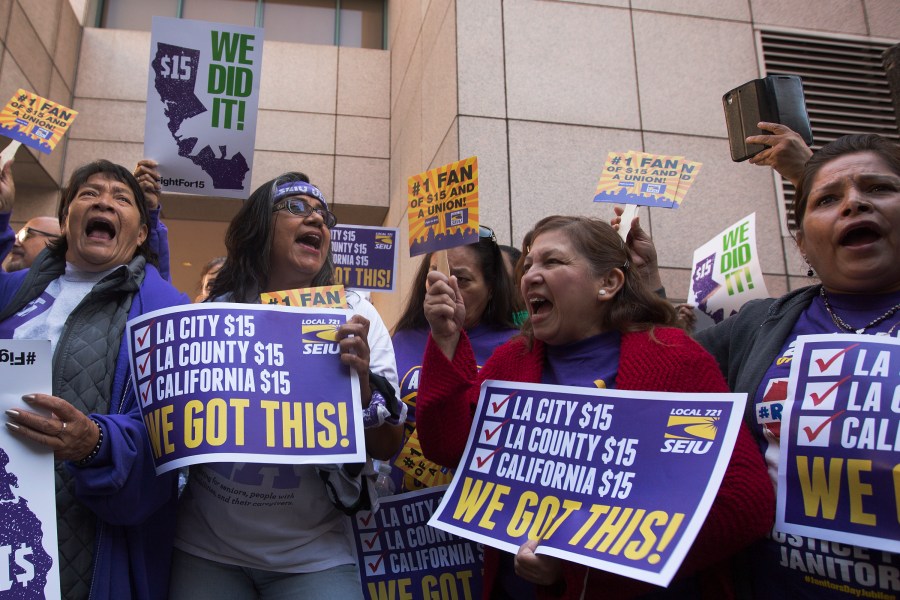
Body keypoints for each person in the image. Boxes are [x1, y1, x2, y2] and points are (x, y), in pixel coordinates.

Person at [416, 215, 774, 599]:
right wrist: (445, 341)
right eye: (528, 264)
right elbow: (447, 448)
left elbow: (745, 501)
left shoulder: (676, 359)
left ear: (608, 283)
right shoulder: (510, 361)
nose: (530, 275)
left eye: (552, 262)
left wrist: (578, 558)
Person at [620, 133, 900, 599]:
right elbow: (668, 371)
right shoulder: (758, 324)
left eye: (878, 188)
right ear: (802, 244)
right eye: (828, 199)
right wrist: (644, 282)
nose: (853, 204)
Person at [170, 172, 404, 600]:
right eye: (297, 207)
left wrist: (363, 388)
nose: (316, 219)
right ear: (261, 224)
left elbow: (389, 445)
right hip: (206, 548)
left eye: (323, 214)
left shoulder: (356, 316)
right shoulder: (216, 315)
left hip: (312, 553)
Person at [1, 159, 189, 600]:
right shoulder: (15, 293)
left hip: (90, 541)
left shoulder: (166, 311)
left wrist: (97, 444)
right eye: (89, 193)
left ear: (141, 234)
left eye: (121, 198)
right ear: (66, 221)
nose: (104, 200)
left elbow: (173, 438)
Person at [390, 227, 520, 492]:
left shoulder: (516, 347)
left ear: (491, 287)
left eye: (461, 279)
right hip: (403, 509)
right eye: (434, 277)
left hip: (475, 504)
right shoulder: (402, 339)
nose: (446, 289)